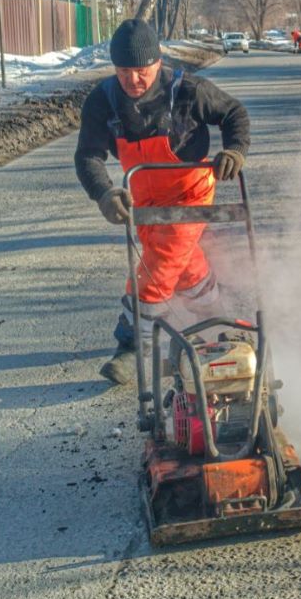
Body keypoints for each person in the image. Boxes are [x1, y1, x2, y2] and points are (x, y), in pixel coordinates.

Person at [75, 19, 251, 385]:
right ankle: (216, 319)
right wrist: (104, 193)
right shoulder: (103, 101)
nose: (133, 80)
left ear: (158, 62)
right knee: (184, 267)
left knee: (161, 262)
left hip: (190, 194)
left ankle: (131, 343)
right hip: (144, 198)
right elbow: (88, 155)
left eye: (142, 71)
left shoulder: (188, 90)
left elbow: (234, 113)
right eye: (124, 72)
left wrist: (234, 150)